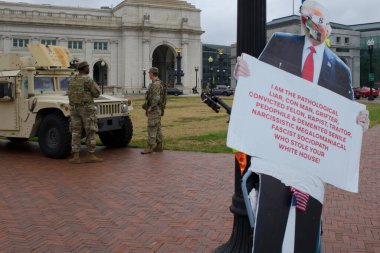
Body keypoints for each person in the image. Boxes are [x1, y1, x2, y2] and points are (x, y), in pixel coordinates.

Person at [234, 1, 370, 252]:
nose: (314, 28)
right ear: (303, 22)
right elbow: (257, 82)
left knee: (305, 234)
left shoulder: (340, 70)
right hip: (277, 158)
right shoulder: (280, 43)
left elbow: (347, 118)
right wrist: (243, 73)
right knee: (269, 229)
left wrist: (360, 124)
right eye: (309, 21)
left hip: (312, 169)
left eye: (320, 23)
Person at [67, 61, 103, 164]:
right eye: (88, 67)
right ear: (84, 68)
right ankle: (90, 155)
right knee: (90, 130)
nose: (89, 69)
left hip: (74, 108)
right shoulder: (87, 79)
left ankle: (76, 156)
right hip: (86, 109)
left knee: (75, 132)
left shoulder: (72, 79)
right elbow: (96, 93)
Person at [141, 67, 167, 155]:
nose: (149, 74)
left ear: (152, 74)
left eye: (149, 73)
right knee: (158, 127)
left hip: (155, 109)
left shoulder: (156, 84)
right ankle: (159, 146)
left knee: (152, 127)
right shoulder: (159, 83)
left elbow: (156, 97)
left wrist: (150, 107)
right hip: (158, 108)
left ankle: (149, 147)